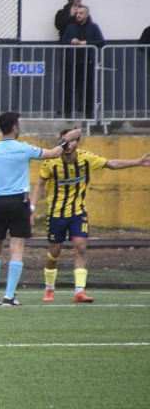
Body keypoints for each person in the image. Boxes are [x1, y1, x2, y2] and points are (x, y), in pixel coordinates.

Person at [30, 130, 150, 303]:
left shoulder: (86, 158)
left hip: (78, 212)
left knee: (81, 247)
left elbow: (112, 164)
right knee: (54, 252)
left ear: (79, 143)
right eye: (65, 141)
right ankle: (49, 288)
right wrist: (32, 207)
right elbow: (40, 183)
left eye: (72, 141)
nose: (68, 145)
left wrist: (138, 162)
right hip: (57, 214)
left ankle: (79, 291)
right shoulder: (51, 162)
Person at [0, 112, 81, 306]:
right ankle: (9, 296)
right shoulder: (24, 148)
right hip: (19, 203)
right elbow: (53, 153)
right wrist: (65, 141)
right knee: (17, 248)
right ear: (15, 127)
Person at [61, 5, 104, 119]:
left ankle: (89, 113)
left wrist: (87, 42)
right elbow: (62, 42)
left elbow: (101, 42)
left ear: (86, 15)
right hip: (73, 62)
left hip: (88, 62)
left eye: (81, 13)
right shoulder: (70, 27)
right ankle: (68, 113)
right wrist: (71, 41)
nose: (78, 15)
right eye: (77, 13)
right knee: (69, 88)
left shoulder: (93, 27)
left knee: (89, 88)